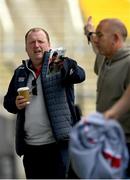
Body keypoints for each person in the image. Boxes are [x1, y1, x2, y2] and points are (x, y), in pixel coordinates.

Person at [3, 27, 85, 179]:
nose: (36, 45)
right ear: (26, 48)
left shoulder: (57, 65)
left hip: (58, 145)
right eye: (32, 42)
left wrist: (65, 63)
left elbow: (80, 76)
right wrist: (15, 103)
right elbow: (7, 103)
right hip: (30, 149)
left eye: (40, 41)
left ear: (49, 45)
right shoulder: (21, 71)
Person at [84, 16, 130, 177]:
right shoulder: (107, 58)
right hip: (109, 142)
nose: (96, 39)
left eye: (100, 35)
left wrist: (109, 116)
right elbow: (97, 47)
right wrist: (89, 33)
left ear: (116, 38)